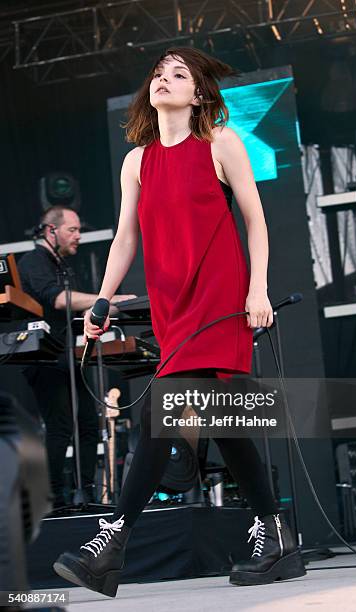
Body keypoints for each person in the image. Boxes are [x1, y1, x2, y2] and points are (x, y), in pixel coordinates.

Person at [53, 48, 306, 595]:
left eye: (179, 74)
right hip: (173, 308)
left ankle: (111, 543)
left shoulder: (222, 143)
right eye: (159, 74)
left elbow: (255, 220)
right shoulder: (137, 161)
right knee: (224, 424)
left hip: (219, 301)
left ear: (198, 94)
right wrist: (100, 303)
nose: (165, 80)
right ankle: (277, 532)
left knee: (165, 412)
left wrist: (256, 290)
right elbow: (126, 238)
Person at [18, 205, 135, 508]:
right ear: (50, 231)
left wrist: (117, 305)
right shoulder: (34, 261)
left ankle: (86, 493)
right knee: (59, 428)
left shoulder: (60, 265)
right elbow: (58, 300)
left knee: (86, 423)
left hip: (64, 355)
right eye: (73, 230)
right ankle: (55, 500)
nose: (78, 236)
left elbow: (82, 307)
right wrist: (105, 299)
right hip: (42, 357)